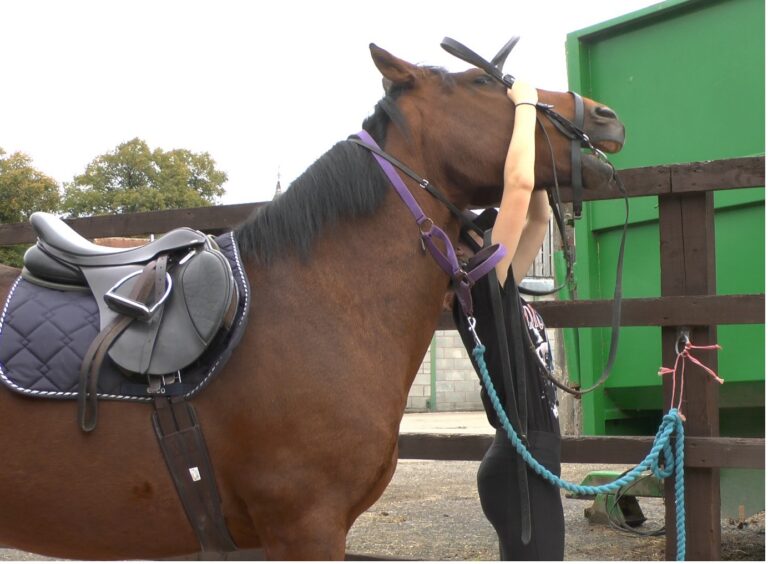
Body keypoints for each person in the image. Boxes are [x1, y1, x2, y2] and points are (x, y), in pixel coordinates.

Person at [450, 80, 564, 560]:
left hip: (527, 455)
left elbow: (536, 215)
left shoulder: (498, 288)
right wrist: (522, 106)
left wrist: (533, 133)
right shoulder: (479, 282)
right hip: (521, 460)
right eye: (487, 229)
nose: (498, 231)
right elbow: (517, 188)